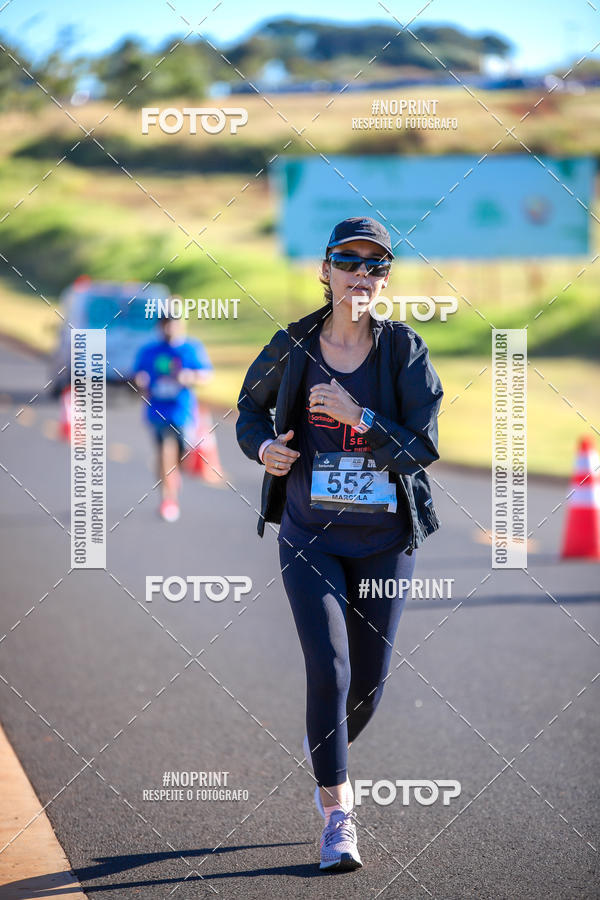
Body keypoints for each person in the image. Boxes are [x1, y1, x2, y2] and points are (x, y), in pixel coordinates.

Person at [236, 216, 443, 871]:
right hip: (309, 538)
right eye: (348, 261)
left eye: (374, 265)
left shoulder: (405, 352)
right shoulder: (293, 344)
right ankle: (337, 816)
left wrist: (363, 418)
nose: (361, 274)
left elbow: (424, 450)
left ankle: (325, 746)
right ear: (323, 271)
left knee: (368, 688)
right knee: (329, 668)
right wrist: (263, 447)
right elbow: (249, 410)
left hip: (386, 542)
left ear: (385, 278)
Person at [134, 307, 213, 522]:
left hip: (183, 412)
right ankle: (168, 499)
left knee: (180, 459)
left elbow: (206, 375)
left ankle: (170, 477)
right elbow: (138, 374)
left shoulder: (190, 348)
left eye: (173, 322)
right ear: (160, 326)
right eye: (165, 323)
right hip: (158, 411)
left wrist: (190, 377)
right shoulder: (150, 351)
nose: (170, 327)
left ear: (181, 324)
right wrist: (140, 381)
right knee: (165, 450)